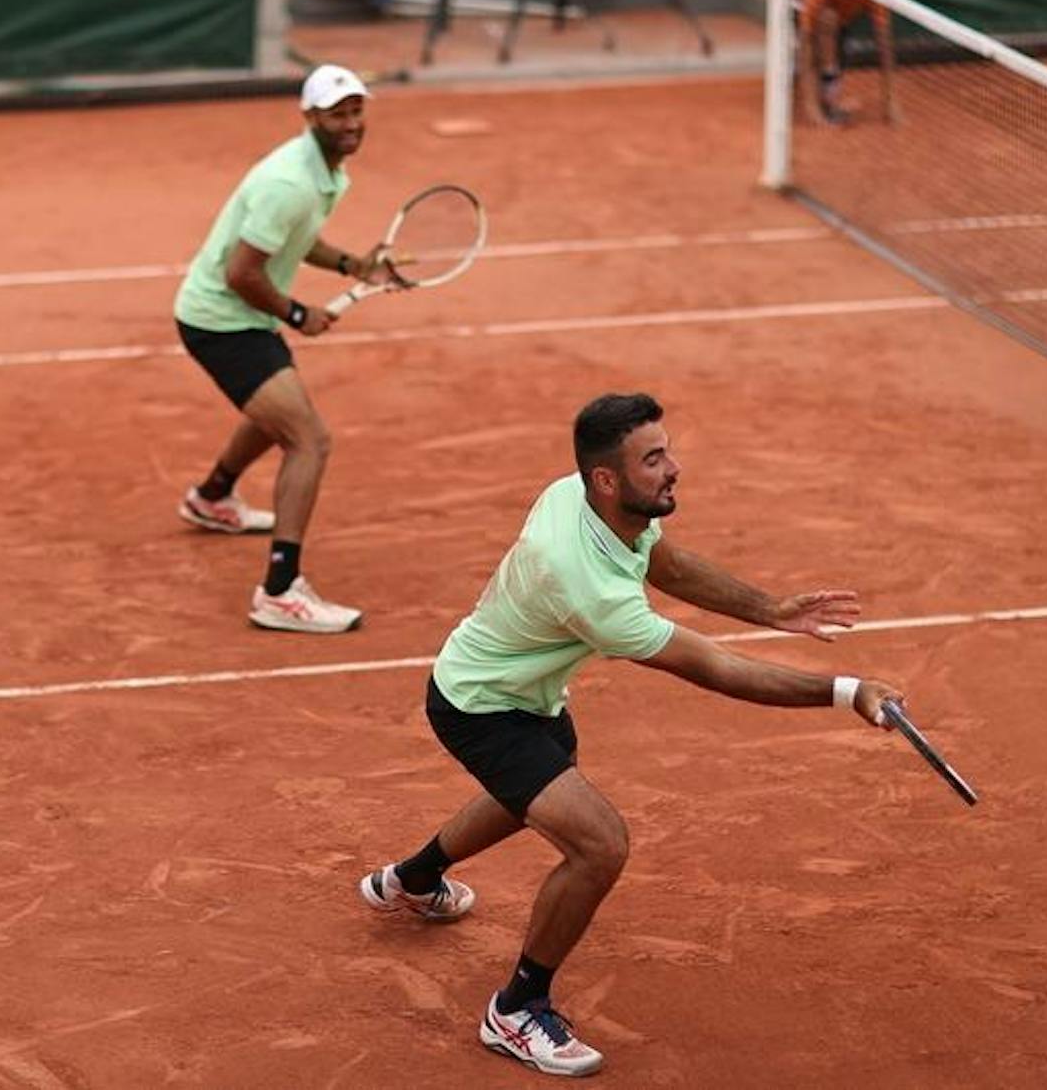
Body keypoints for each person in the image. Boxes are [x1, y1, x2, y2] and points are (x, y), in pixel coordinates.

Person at [357, 393, 906, 1078]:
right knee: (598, 841)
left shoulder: (581, 496)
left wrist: (769, 607)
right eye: (654, 458)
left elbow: (666, 565)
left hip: (526, 691)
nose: (674, 467)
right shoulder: (589, 587)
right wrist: (847, 690)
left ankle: (411, 878)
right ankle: (517, 1008)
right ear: (607, 478)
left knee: (533, 786)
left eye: (667, 449)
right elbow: (714, 666)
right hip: (478, 705)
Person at [172, 63, 394, 634]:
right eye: (338, 113)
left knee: (278, 415)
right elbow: (241, 272)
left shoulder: (323, 172)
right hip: (222, 321)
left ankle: (212, 497)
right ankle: (278, 591)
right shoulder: (290, 182)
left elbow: (299, 239)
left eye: (356, 111)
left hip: (240, 317)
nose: (351, 123)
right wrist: (299, 314)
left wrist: (351, 264)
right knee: (309, 440)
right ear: (310, 117)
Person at [794, 0, 899, 127]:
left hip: (841, 18)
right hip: (799, 5)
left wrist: (890, 101)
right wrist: (812, 109)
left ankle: (827, 94)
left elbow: (885, 46)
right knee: (826, 29)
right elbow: (806, 47)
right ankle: (821, 99)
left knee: (834, 52)